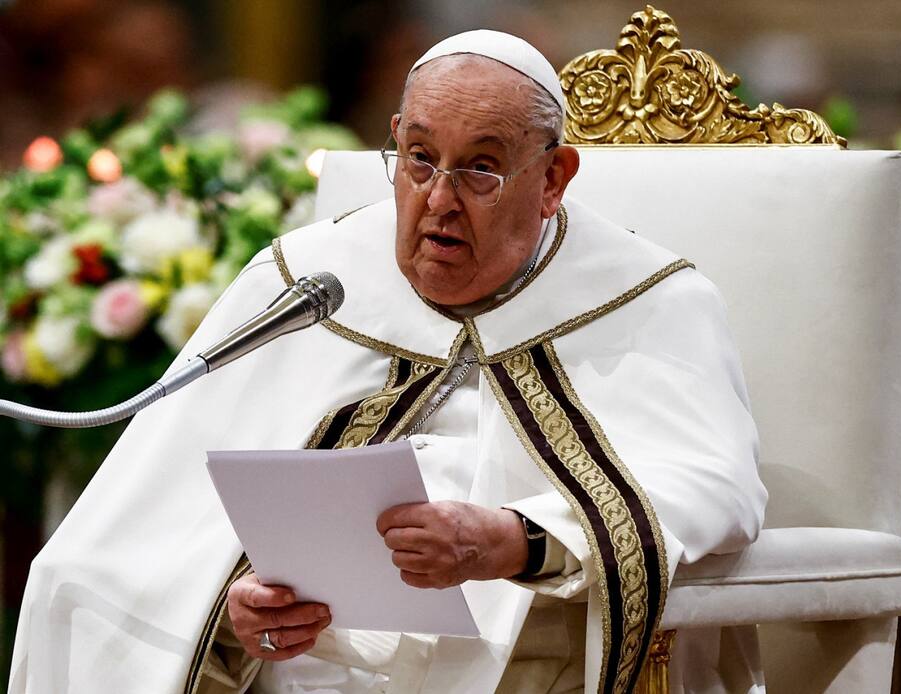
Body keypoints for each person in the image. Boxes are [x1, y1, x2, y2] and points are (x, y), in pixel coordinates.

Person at [9, 30, 767, 694]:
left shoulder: (648, 300)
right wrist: (236, 615)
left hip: (534, 668)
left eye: (481, 169)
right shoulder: (310, 280)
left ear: (554, 179)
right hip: (304, 672)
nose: (438, 200)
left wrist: (513, 538)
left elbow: (714, 487)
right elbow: (168, 525)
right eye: (418, 159)